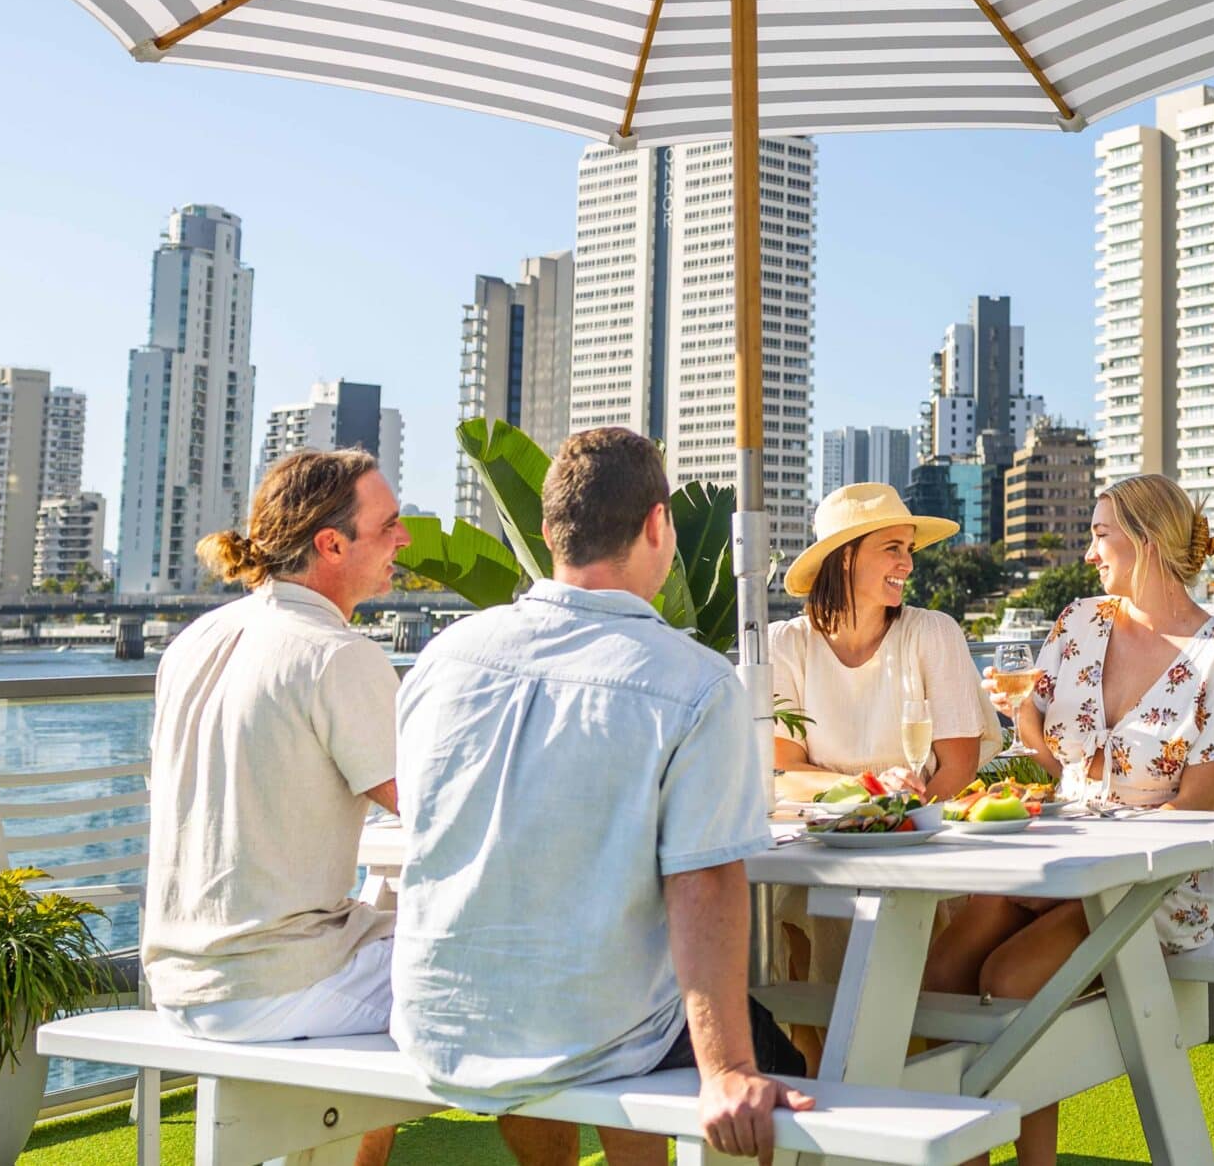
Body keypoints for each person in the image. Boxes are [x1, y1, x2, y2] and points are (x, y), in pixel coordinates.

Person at [391, 428, 809, 1166]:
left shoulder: (441, 660)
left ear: (551, 533)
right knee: (784, 1059)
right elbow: (705, 880)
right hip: (592, 1031)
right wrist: (730, 1071)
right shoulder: (695, 682)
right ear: (657, 525)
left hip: (441, 1026)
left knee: (605, 986)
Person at [923, 473, 1214, 1166]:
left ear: (1144, 543)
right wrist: (1021, 714)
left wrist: (1093, 856)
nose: (1088, 553)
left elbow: (1192, 816)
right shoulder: (1080, 623)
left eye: (1099, 533)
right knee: (941, 970)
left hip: (1152, 881)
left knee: (1015, 977)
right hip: (1058, 854)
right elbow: (1056, 765)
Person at [143, 449, 412, 1166]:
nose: (404, 540)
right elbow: (437, 813)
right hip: (273, 982)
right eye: (389, 525)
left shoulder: (194, 642)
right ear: (331, 544)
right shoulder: (334, 653)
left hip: (178, 977)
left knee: (390, 936)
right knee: (497, 972)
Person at [770, 481, 997, 807]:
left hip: (917, 836)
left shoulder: (933, 633)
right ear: (846, 557)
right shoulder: (784, 644)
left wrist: (898, 822)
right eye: (893, 548)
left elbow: (958, 768)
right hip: (817, 838)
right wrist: (868, 789)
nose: (908, 564)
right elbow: (783, 772)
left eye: (909, 548)